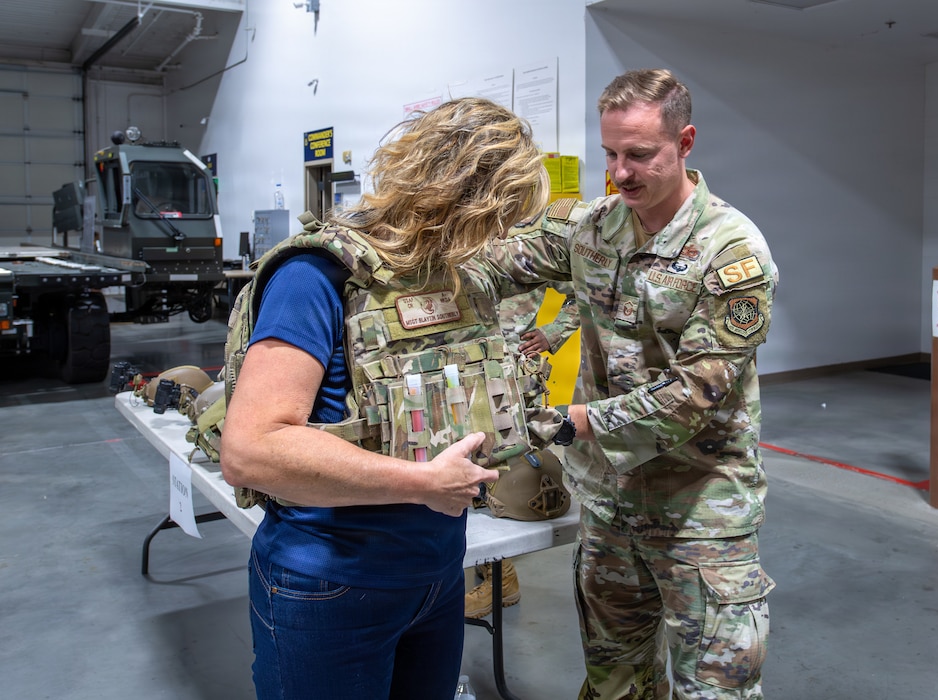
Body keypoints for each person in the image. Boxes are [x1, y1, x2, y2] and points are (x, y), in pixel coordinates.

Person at [220, 97, 554, 700]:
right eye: (497, 216)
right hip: (329, 584)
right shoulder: (316, 277)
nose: (501, 235)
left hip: (435, 576)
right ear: (456, 197)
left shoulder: (454, 275)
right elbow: (251, 450)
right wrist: (424, 484)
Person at [469, 69, 778, 699]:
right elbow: (493, 264)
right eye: (610, 153)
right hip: (610, 503)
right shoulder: (593, 228)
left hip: (701, 510)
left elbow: (694, 394)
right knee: (615, 682)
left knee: (716, 691)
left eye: (639, 155)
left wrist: (576, 422)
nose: (620, 172)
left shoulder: (730, 250)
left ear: (685, 142)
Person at [465, 276, 579, 619]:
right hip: (455, 363)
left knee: (497, 475)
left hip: (505, 375)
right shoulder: (452, 232)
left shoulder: (528, 236)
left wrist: (552, 331)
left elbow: (586, 288)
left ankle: (500, 580)